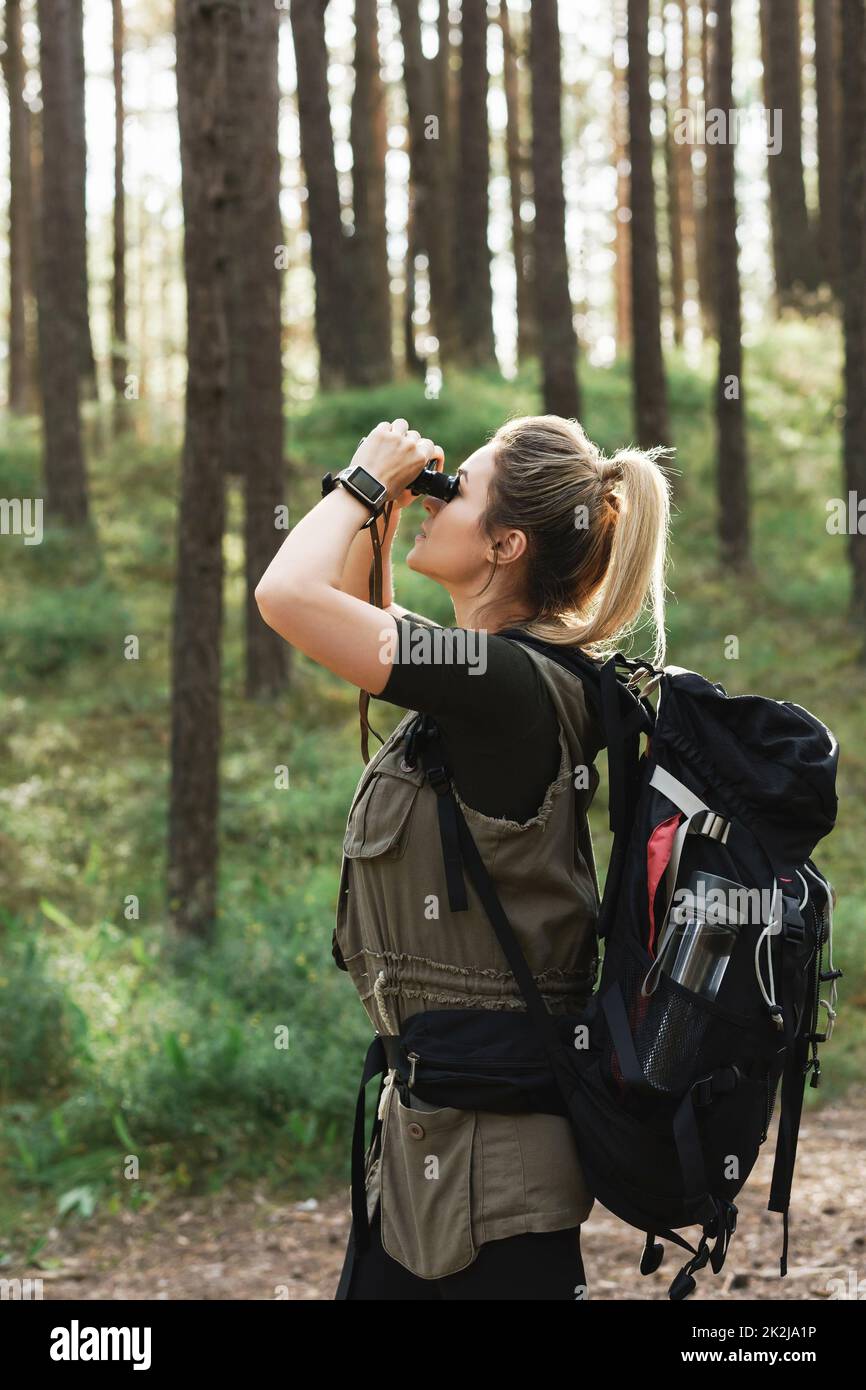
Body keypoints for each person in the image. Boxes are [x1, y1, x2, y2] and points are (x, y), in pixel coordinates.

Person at [255, 414, 671, 1300]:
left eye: (460, 489)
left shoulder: (506, 684)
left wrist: (362, 482)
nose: (436, 499)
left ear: (506, 545)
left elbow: (286, 596)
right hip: (434, 1137)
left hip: (492, 1171)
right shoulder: (492, 676)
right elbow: (361, 621)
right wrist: (381, 515)